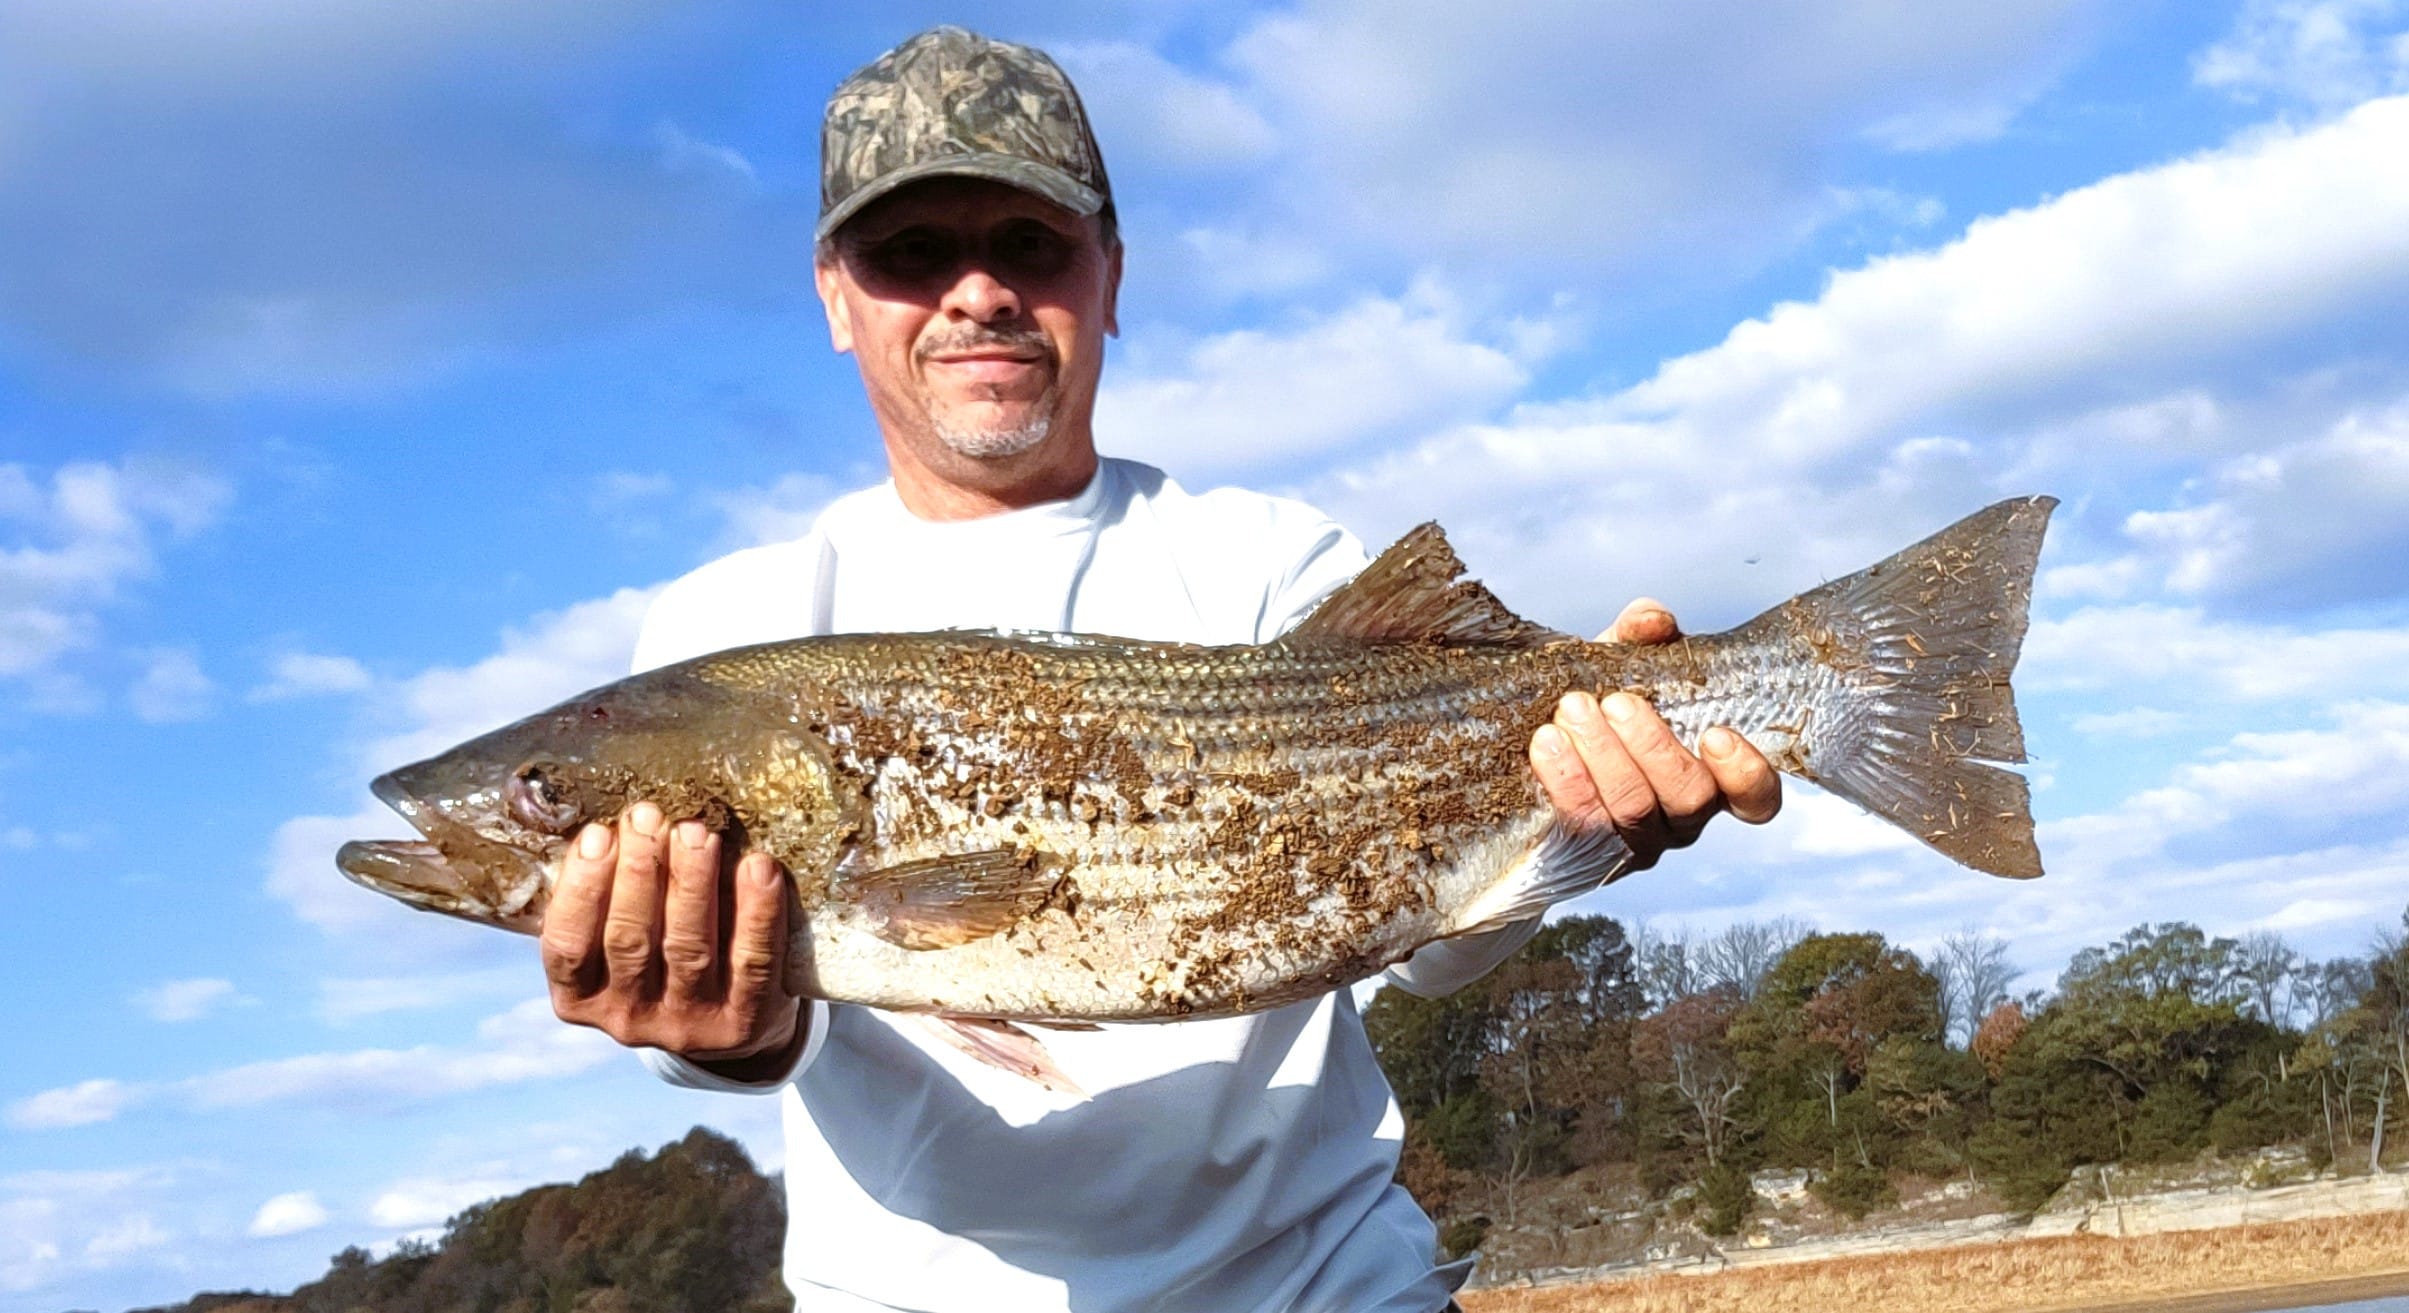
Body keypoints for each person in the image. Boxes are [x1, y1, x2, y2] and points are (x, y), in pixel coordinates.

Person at [535, 26, 1780, 1313]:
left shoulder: (1271, 561)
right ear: (834, 297)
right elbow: (732, 1034)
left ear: (1112, 273)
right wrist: (718, 1034)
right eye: (912, 253)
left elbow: (1417, 952)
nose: (978, 293)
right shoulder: (724, 627)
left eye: (1030, 243)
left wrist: (1577, 833)